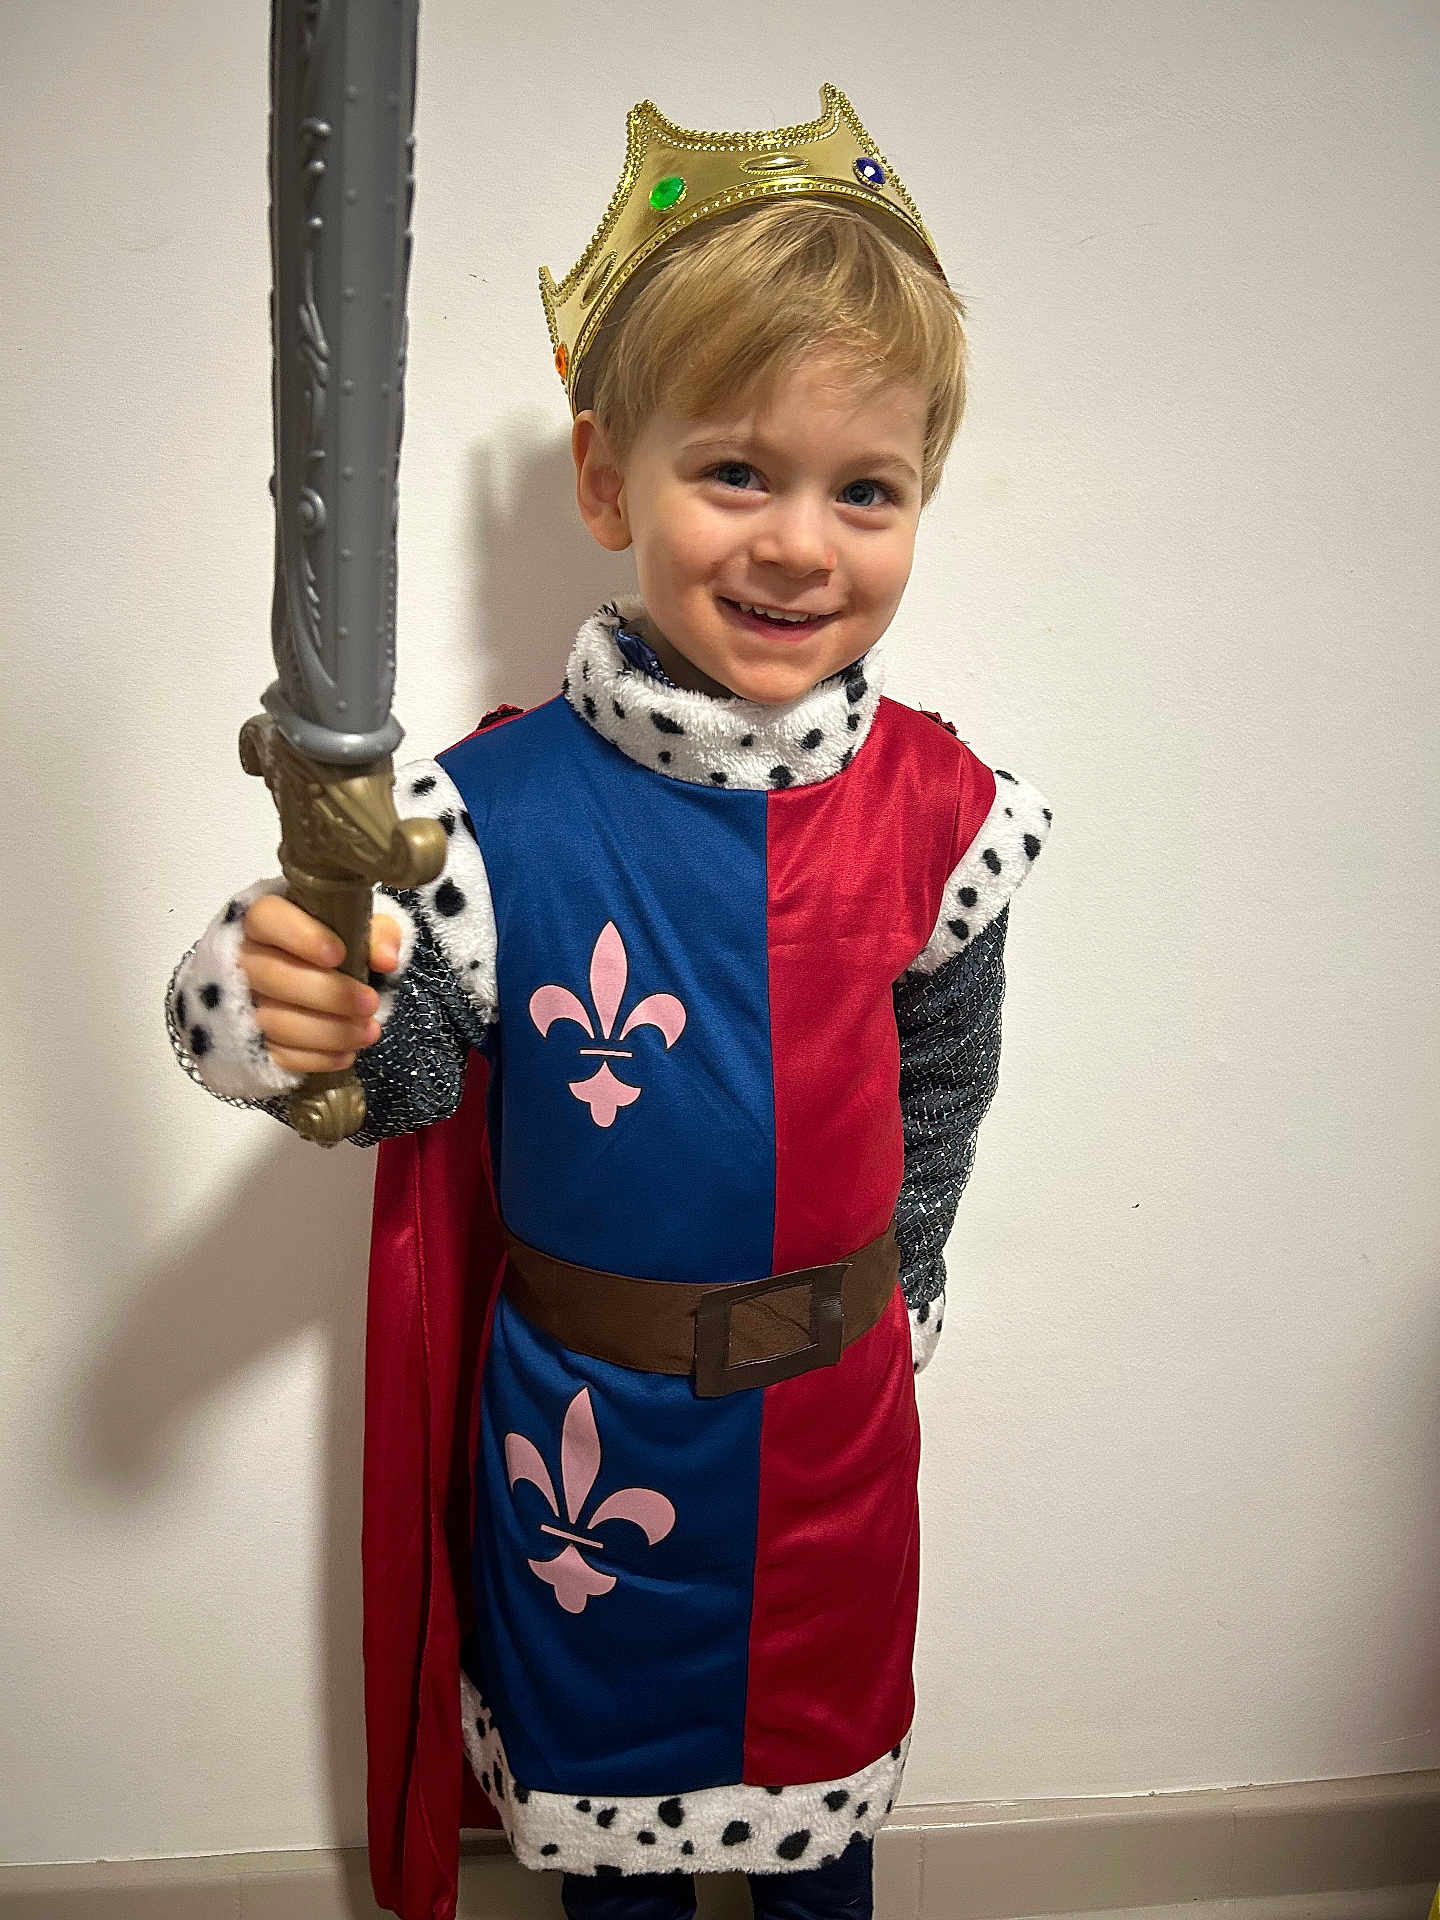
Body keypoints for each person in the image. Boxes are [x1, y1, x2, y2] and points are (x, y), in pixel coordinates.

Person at [166, 86, 1053, 1920]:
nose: (803, 543)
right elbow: (408, 1084)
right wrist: (308, 1004)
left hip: (834, 1446)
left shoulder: (940, 816)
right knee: (615, 1860)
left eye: (863, 490)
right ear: (604, 479)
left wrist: (915, 1297)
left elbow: (940, 1085)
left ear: (917, 507)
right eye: (738, 470)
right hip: (587, 1456)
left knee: (825, 1846)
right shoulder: (493, 824)